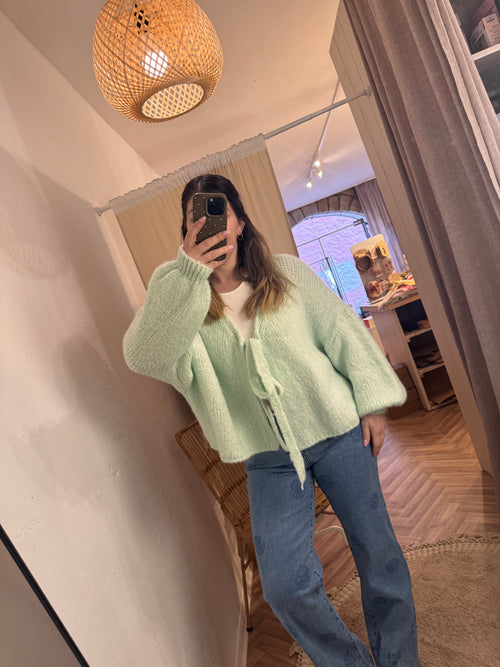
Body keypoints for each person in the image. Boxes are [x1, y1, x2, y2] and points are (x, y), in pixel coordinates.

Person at [123, 174, 420, 667]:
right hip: (270, 460)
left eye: (218, 213)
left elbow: (341, 331)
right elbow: (145, 356)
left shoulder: (286, 272)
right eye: (196, 217)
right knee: (284, 586)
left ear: (238, 221)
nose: (209, 225)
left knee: (379, 555)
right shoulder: (179, 293)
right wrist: (189, 275)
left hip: (339, 433)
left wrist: (372, 402)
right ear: (186, 230)